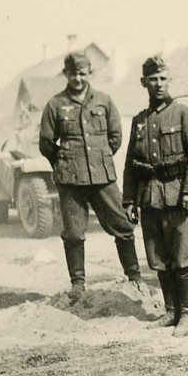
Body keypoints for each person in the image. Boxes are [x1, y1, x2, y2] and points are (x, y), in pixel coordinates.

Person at [39, 51, 142, 302]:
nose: (78, 78)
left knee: (123, 227)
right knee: (74, 233)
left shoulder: (104, 101)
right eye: (73, 74)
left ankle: (135, 277)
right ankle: (78, 284)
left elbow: (115, 137)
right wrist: (63, 162)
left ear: (90, 73)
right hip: (70, 180)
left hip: (102, 177)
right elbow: (46, 142)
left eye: (82, 73)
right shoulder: (55, 104)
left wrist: (99, 158)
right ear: (65, 74)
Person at [122, 56, 188, 337]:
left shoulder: (184, 114)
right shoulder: (139, 121)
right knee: (158, 257)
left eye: (162, 78)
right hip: (150, 197)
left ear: (170, 80)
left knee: (183, 256)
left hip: (178, 195)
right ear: (143, 82)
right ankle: (171, 311)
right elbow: (131, 163)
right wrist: (129, 200)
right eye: (153, 79)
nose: (158, 84)